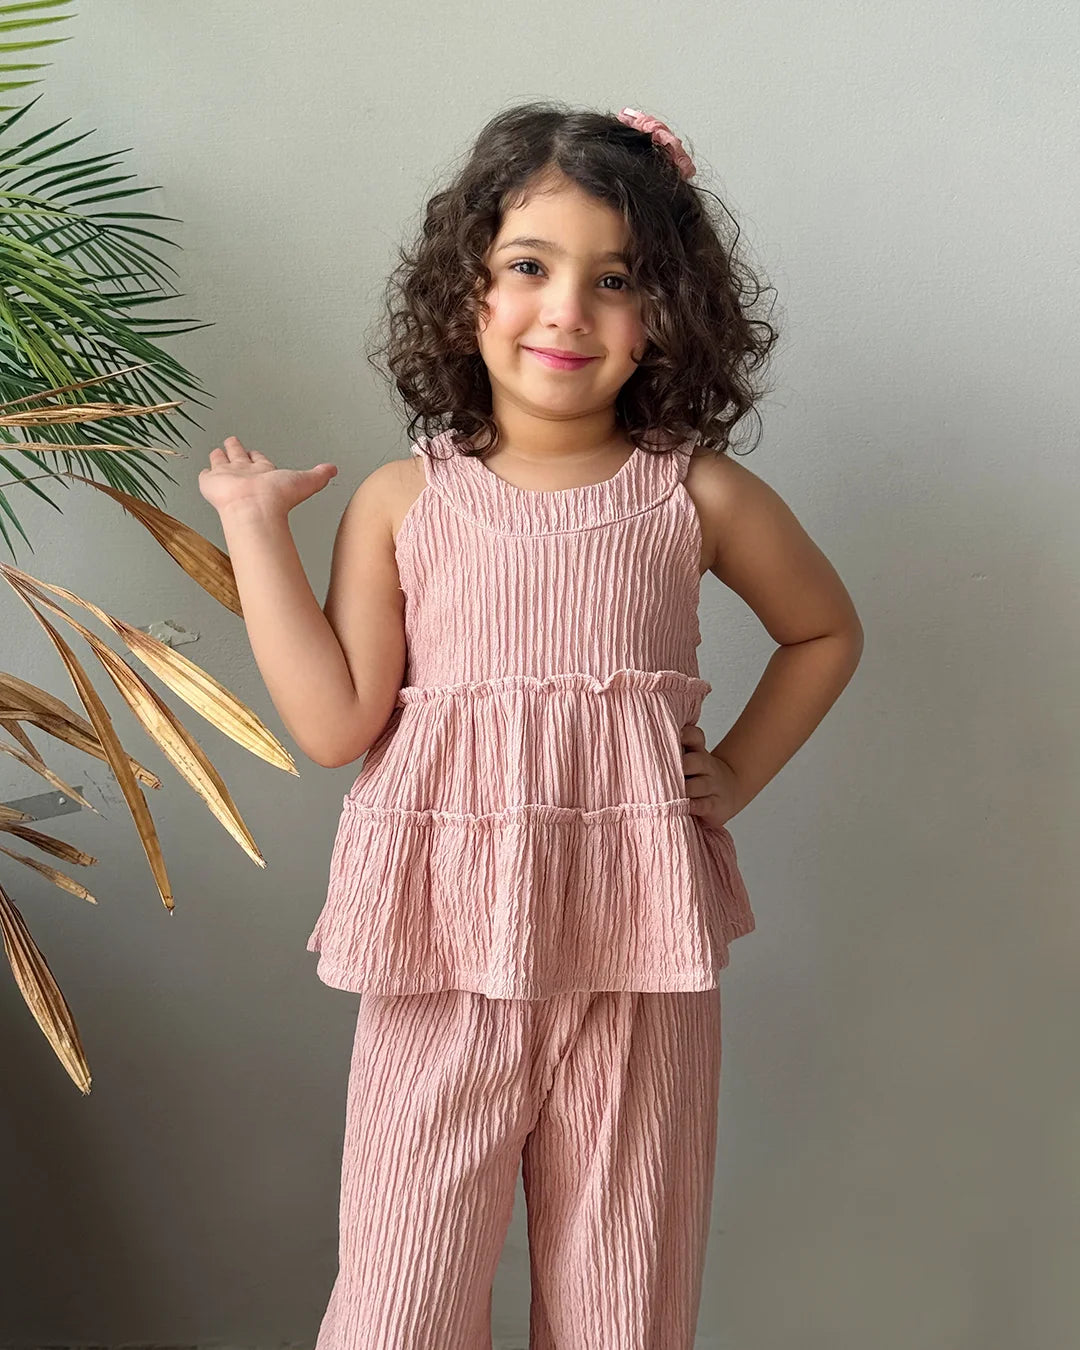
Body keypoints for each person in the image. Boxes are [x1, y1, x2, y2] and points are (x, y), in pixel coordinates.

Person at [199, 100, 863, 1350]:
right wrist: (252, 529)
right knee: (399, 1302)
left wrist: (736, 772)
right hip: (440, 953)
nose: (568, 310)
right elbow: (336, 723)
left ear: (669, 313)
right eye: (529, 267)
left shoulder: (695, 494)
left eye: (615, 280)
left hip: (638, 954)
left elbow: (824, 630)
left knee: (623, 1300)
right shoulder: (405, 502)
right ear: (465, 295)